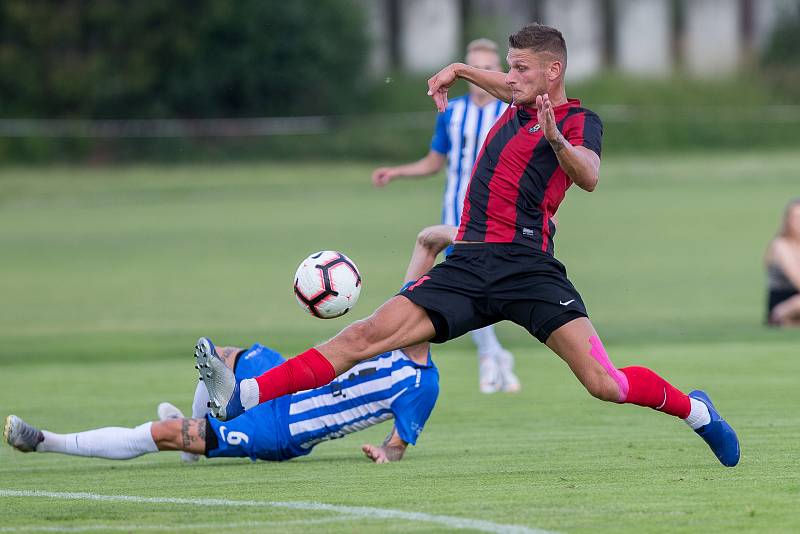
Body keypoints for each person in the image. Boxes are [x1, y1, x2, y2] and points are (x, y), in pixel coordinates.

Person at [201, 23, 740, 467]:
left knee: (606, 382)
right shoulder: (516, 102)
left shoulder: (577, 120)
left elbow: (591, 175)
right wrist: (458, 70)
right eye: (509, 67)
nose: (510, 78)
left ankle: (697, 412)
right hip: (469, 266)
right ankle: (242, 396)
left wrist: (557, 140)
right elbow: (506, 87)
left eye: (522, 68)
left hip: (529, 269)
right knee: (364, 335)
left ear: (554, 71)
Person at [3, 227, 452, 464]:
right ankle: (205, 419)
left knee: (164, 434)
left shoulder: (422, 386)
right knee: (221, 355)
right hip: (288, 379)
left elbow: (398, 446)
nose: (417, 306)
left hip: (282, 432)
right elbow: (426, 241)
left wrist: (384, 453)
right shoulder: (396, 323)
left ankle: (43, 441)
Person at [371, 38, 519, 394]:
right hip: (456, 213)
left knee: (490, 284)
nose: (481, 72)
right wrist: (397, 172)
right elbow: (434, 162)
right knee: (471, 284)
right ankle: (491, 357)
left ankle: (494, 356)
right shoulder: (452, 112)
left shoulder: (511, 111)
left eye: (488, 66)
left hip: (497, 216)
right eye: (475, 66)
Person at [765, 198, 800, 327]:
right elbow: (797, 280)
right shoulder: (781, 246)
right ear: (788, 220)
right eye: (796, 217)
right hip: (783, 305)